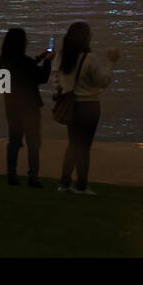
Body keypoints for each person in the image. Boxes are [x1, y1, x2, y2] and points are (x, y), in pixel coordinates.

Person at [53, 21, 118, 195]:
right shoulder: (90, 58)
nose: (91, 36)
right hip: (89, 106)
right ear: (84, 38)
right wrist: (111, 62)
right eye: (89, 34)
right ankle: (82, 186)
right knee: (84, 148)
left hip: (70, 105)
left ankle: (64, 183)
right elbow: (103, 82)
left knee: (73, 145)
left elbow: (56, 80)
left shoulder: (61, 56)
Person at [0, 27, 53, 187]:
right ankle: (33, 177)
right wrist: (48, 61)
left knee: (14, 142)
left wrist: (39, 58)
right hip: (30, 108)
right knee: (33, 143)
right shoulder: (25, 62)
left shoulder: (3, 62)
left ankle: (11, 175)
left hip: (12, 109)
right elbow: (41, 77)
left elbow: (3, 87)